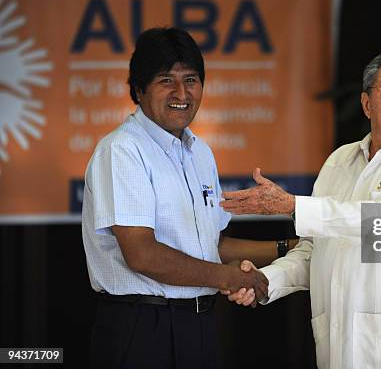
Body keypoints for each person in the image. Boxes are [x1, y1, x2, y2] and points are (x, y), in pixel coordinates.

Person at [221, 49, 381, 368]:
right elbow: (314, 252)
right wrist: (264, 282)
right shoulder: (340, 161)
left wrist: (293, 206)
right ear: (366, 104)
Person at [81, 27, 293, 369]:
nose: (182, 93)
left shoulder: (200, 153)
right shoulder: (122, 150)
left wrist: (287, 248)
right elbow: (141, 254)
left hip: (199, 326)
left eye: (191, 80)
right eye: (167, 80)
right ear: (139, 90)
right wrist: (231, 279)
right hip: (141, 328)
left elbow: (214, 246)